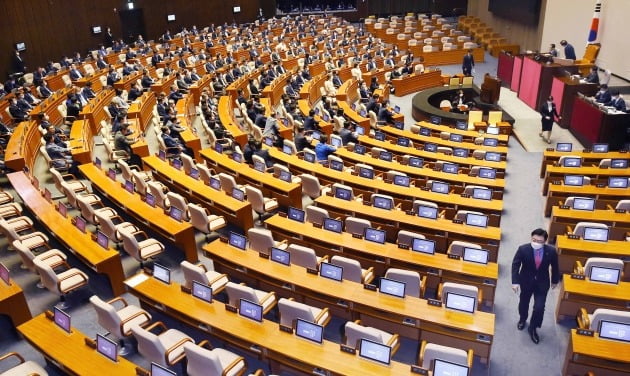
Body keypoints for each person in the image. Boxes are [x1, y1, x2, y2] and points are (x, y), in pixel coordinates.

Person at [511, 228, 559, 344]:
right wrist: (515, 282)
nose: (536, 243)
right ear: (531, 238)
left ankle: (533, 328)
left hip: (542, 283)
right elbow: (515, 265)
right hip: (526, 281)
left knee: (539, 307)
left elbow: (555, 267)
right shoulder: (523, 249)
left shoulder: (551, 251)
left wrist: (554, 281)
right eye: (534, 240)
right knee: (524, 302)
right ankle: (522, 319)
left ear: (545, 241)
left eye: (540, 241)